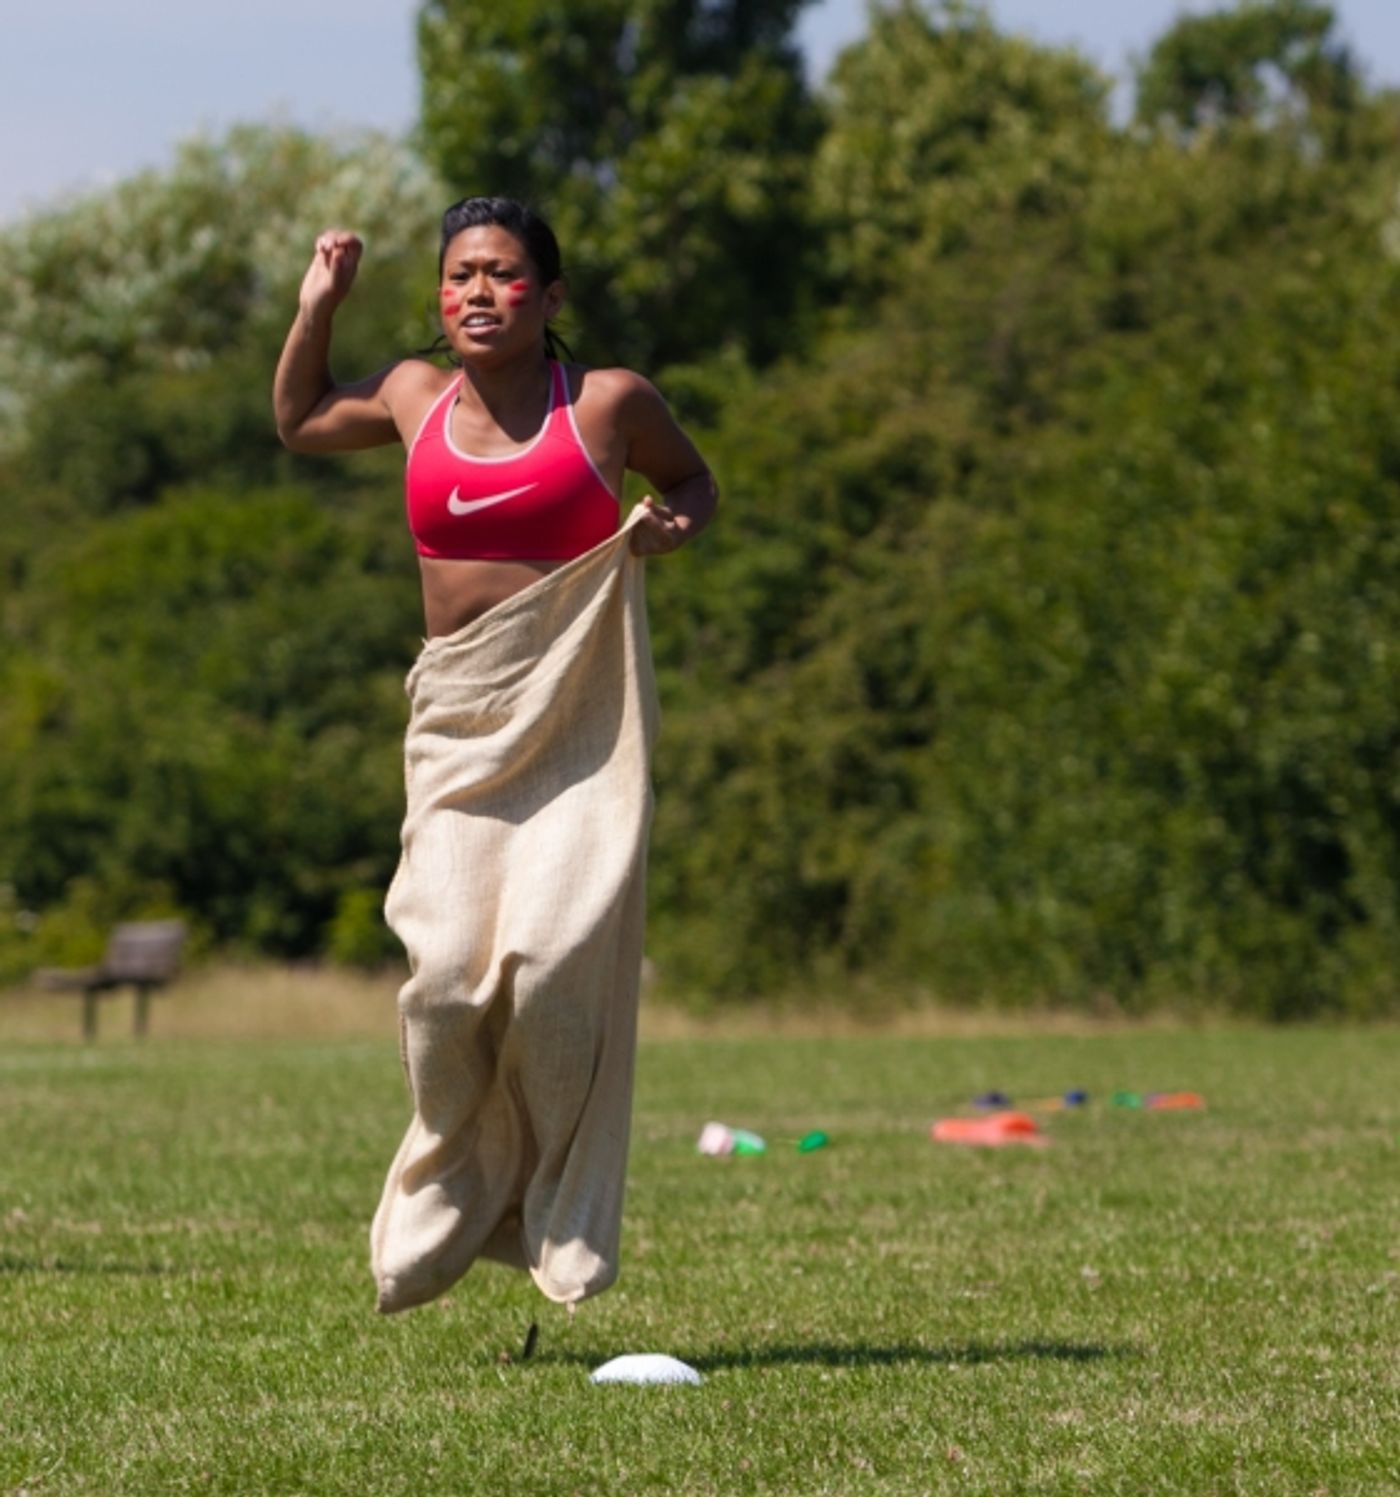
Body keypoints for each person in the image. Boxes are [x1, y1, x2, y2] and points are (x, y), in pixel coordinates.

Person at [273, 197, 717, 1329]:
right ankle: (455, 1192)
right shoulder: (413, 397)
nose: (477, 292)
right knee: (443, 984)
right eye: (459, 274)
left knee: (553, 964)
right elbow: (301, 421)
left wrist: (671, 525)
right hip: (459, 722)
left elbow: (693, 483)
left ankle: (560, 1213)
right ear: (439, 297)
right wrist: (317, 308)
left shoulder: (608, 402)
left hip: (576, 716)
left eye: (505, 274)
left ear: (549, 296)